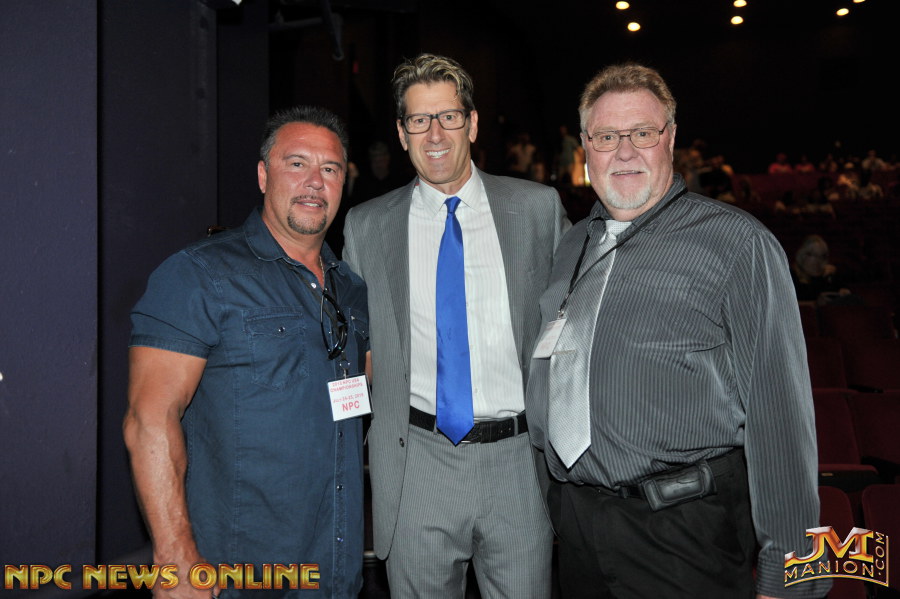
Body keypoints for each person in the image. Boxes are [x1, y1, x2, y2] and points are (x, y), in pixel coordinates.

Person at [525, 63, 829, 599]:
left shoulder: (737, 244)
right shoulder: (572, 245)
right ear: (585, 147)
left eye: (642, 133)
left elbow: (780, 416)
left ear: (670, 138)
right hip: (577, 533)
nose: (624, 151)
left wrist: (790, 575)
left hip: (683, 535)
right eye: (606, 136)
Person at [342, 53, 568, 598]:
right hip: (417, 462)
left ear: (472, 123)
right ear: (402, 133)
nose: (435, 134)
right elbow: (352, 349)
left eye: (448, 116)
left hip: (518, 463)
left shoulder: (537, 210)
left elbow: (574, 327)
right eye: (419, 120)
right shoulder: (367, 226)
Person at [123, 106, 369, 598]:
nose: (314, 181)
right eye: (296, 163)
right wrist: (175, 558)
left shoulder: (351, 288)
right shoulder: (200, 273)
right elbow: (149, 418)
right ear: (262, 175)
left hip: (335, 569)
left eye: (330, 168)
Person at [791, 234, 856, 305]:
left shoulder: (827, 276)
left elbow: (844, 289)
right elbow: (787, 304)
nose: (818, 261)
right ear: (803, 255)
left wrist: (844, 291)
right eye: (814, 255)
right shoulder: (792, 276)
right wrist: (815, 303)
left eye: (822, 256)